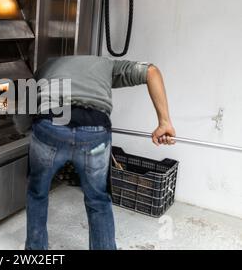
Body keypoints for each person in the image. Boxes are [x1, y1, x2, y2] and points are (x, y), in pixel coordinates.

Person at [22, 55, 176, 250]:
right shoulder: (107, 65)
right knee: (98, 199)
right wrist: (164, 122)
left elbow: (23, 107)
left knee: (37, 192)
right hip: (94, 129)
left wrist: (27, 130)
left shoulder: (46, 66)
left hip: (51, 125)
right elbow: (151, 71)